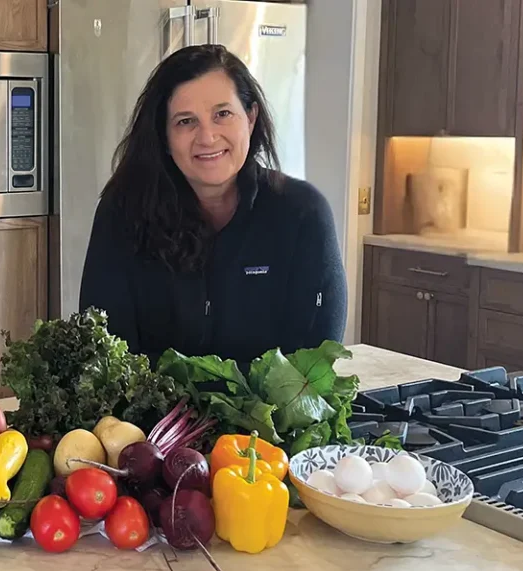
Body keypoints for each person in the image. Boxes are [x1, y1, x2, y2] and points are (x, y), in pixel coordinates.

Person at [80, 44, 347, 363]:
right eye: (185, 121)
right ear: (163, 136)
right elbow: (106, 354)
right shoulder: (121, 213)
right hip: (151, 415)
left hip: (272, 414)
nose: (207, 137)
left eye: (222, 114)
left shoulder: (302, 214)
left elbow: (312, 363)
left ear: (250, 118)